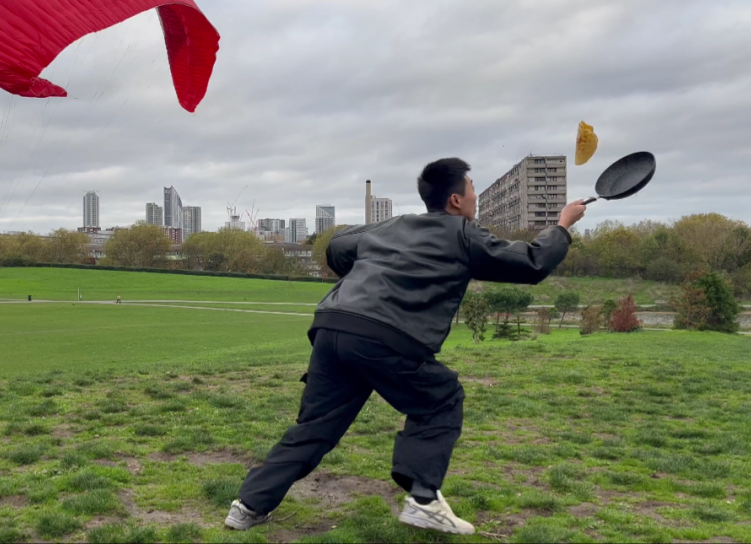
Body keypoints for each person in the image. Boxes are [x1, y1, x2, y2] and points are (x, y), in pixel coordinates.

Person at [225, 158, 587, 535]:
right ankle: (424, 499)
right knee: (442, 398)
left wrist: (372, 273)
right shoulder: (464, 234)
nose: (475, 196)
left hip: (333, 327)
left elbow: (337, 245)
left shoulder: (391, 225)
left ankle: (248, 506)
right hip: (384, 336)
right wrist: (562, 226)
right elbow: (532, 262)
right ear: (455, 200)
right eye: (472, 188)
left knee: (315, 426)